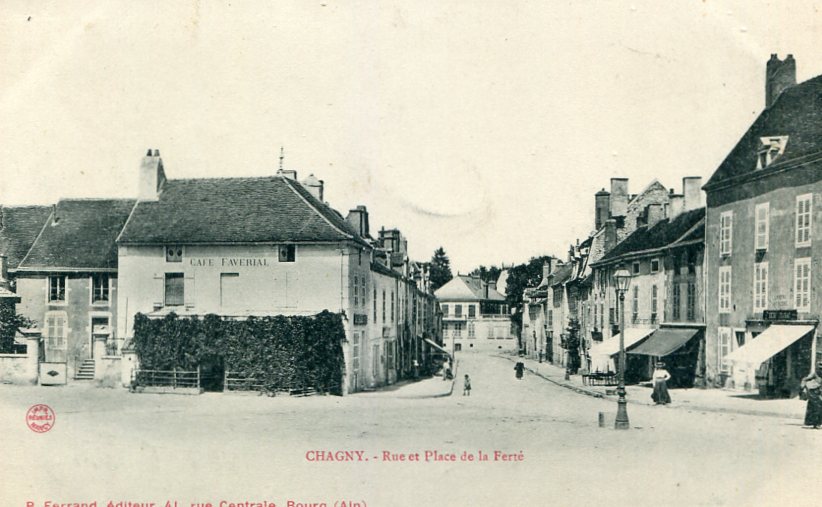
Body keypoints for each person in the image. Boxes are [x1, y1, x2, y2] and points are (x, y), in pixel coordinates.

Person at [800, 363, 822, 429]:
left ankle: (817, 423)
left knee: (818, 408)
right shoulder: (815, 374)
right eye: (820, 368)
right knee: (815, 408)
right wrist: (803, 387)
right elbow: (805, 379)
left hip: (818, 393)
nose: (821, 369)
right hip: (813, 393)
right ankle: (812, 423)